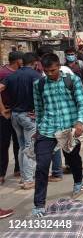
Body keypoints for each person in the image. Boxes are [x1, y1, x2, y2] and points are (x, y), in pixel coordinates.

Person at [32, 53, 83, 217]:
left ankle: (78, 182)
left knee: (72, 158)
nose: (50, 74)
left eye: (53, 70)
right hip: (47, 129)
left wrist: (79, 122)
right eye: (47, 71)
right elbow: (39, 108)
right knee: (42, 165)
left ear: (59, 66)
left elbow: (82, 102)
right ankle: (39, 204)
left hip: (68, 128)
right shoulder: (39, 84)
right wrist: (38, 128)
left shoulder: (72, 80)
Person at [0, 52, 40, 190]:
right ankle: (28, 180)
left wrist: (2, 109)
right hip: (29, 116)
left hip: (14, 115)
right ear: (34, 63)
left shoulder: (11, 76)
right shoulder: (36, 76)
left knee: (22, 147)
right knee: (30, 148)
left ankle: (24, 178)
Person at [0, 52, 23, 185]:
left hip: (16, 111)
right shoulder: (3, 73)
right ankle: (1, 173)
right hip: (5, 113)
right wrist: (2, 110)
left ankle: (18, 169)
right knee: (3, 144)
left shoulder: (18, 73)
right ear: (17, 61)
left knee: (18, 142)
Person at [64, 47, 83, 131]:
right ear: (65, 56)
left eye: (72, 54)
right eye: (68, 54)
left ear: (75, 55)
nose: (70, 56)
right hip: (69, 91)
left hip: (82, 90)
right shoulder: (63, 66)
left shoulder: (81, 64)